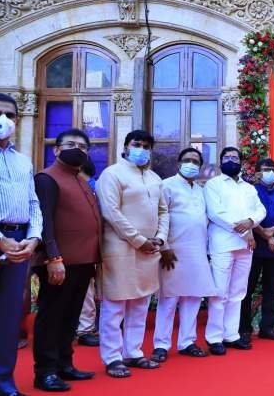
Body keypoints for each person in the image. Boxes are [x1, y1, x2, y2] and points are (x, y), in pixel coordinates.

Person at [96, 129, 169, 378]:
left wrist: (160, 238)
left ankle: (133, 352)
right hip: (120, 248)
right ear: (126, 147)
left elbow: (163, 211)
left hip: (150, 249)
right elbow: (111, 212)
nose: (142, 150)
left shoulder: (155, 178)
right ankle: (112, 358)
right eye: (137, 144)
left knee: (140, 304)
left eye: (146, 146)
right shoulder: (112, 174)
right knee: (115, 305)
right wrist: (139, 240)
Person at [32, 128, 101, 391]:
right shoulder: (47, 178)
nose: (77, 149)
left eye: (83, 147)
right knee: (51, 317)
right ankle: (45, 372)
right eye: (71, 144)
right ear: (56, 149)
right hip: (59, 262)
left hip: (83, 261)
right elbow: (44, 220)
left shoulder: (80, 179)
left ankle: (64, 364)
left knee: (71, 316)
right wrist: (53, 257)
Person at [151, 148, 217, 363]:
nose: (191, 164)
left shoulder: (200, 189)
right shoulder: (166, 185)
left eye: (195, 161)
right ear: (179, 163)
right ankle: (161, 345)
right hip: (173, 251)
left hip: (197, 252)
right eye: (187, 160)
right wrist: (164, 247)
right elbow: (158, 217)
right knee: (169, 299)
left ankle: (187, 342)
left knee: (193, 297)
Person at [0, 93, 42, 396]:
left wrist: (33, 238)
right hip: (2, 240)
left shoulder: (23, 161)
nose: (3, 120)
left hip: (19, 242)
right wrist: (0, 241)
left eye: (10, 115)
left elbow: (33, 203)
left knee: (8, 318)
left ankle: (4, 382)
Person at [203, 147, 266, 355]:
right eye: (227, 157)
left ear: (241, 162)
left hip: (245, 247)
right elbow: (216, 213)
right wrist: (245, 232)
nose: (231, 160)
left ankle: (231, 335)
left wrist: (251, 221)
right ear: (220, 161)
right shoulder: (213, 184)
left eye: (235, 157)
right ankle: (214, 337)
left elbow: (260, 210)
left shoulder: (248, 188)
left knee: (238, 292)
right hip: (223, 244)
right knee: (220, 292)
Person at [241, 158, 274, 341]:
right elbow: (248, 218)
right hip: (253, 247)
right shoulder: (250, 191)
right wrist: (266, 235)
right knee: (247, 289)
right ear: (257, 173)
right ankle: (244, 328)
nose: (270, 172)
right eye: (266, 169)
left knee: (271, 288)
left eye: (273, 169)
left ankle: (267, 328)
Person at [76, 159, 100, 348]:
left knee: (87, 288)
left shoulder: (95, 189)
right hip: (65, 246)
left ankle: (85, 330)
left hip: (90, 246)